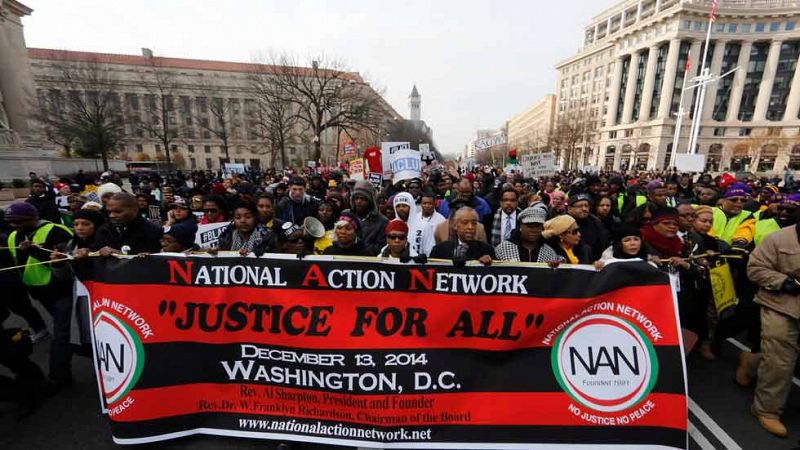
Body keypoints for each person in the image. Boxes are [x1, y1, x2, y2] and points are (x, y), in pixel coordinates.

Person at [5, 201, 74, 392]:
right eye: (11, 222)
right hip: (39, 292)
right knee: (67, 330)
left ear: (33, 217)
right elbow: (19, 264)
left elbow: (67, 262)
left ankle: (59, 377)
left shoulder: (56, 231)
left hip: (62, 290)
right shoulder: (12, 236)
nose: (14, 226)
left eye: (18, 222)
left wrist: (35, 250)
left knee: (60, 334)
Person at [746, 205, 800, 438]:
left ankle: (750, 363)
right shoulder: (777, 239)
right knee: (780, 359)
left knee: (775, 357)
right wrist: (782, 281)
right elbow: (755, 268)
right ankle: (766, 410)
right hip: (780, 304)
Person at [93, 193, 163, 255]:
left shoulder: (153, 231)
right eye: (109, 212)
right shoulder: (104, 230)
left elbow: (155, 260)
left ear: (135, 210)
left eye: (118, 212)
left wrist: (120, 254)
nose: (112, 215)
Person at [495, 203, 559, 263]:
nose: (534, 230)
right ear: (520, 226)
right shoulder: (503, 249)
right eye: (529, 226)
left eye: (537, 226)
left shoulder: (549, 253)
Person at [430, 207, 494, 266]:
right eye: (465, 223)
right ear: (455, 225)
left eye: (474, 223)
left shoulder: (486, 250)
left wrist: (486, 265)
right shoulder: (439, 250)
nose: (470, 227)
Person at [347, 180, 388, 255]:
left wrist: (359, 248)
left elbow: (382, 247)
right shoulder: (346, 216)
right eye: (356, 198)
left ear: (370, 201)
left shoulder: (382, 221)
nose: (359, 201)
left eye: (363, 199)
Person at [567, 193, 609, 261]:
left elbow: (603, 245)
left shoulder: (596, 223)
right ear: (569, 209)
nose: (584, 209)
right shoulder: (562, 223)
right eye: (580, 206)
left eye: (586, 206)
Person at [392, 192, 430, 256]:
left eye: (404, 205)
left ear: (411, 206)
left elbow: (429, 251)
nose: (401, 208)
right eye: (398, 206)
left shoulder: (425, 226)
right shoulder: (391, 225)